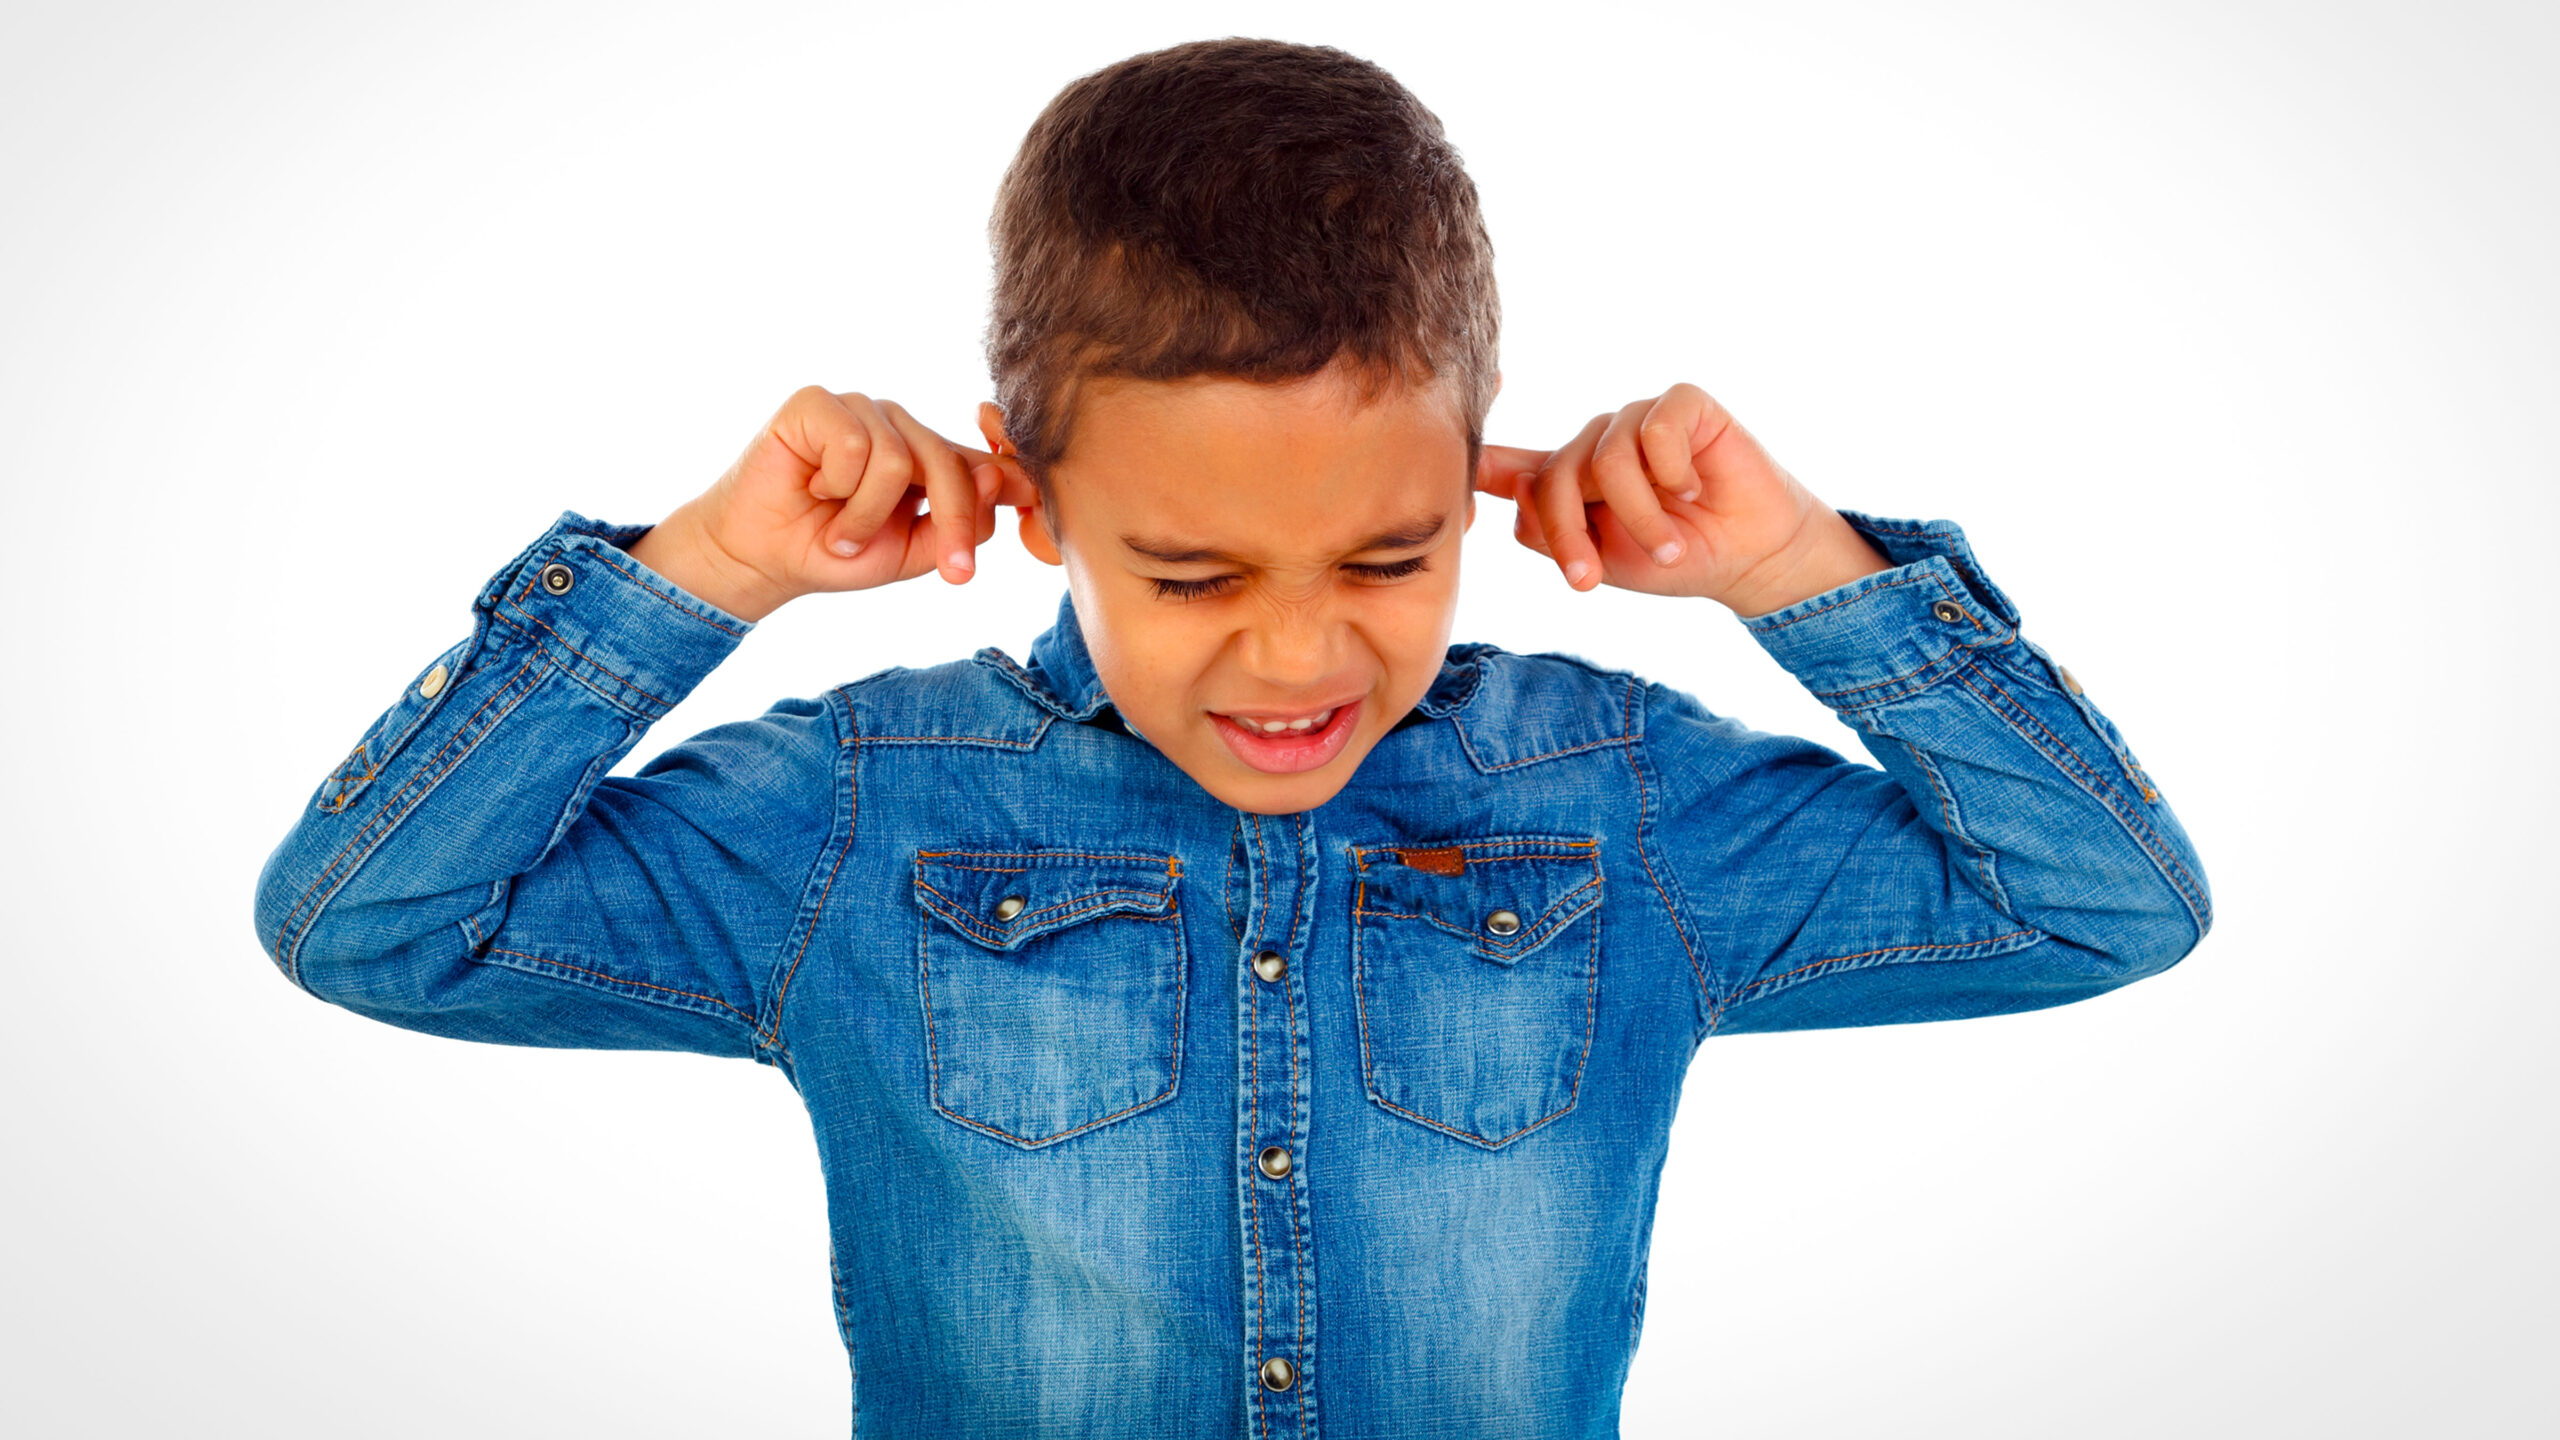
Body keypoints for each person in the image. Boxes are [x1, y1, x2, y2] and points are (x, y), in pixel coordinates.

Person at [251, 35, 2210, 1438]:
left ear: (1475, 475)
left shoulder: (1617, 802)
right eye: (1187, 573)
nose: (1296, 651)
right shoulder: (858, 813)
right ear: (1030, 493)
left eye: (1388, 550)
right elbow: (375, 925)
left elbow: (2100, 907)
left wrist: (1801, 567)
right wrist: (700, 571)